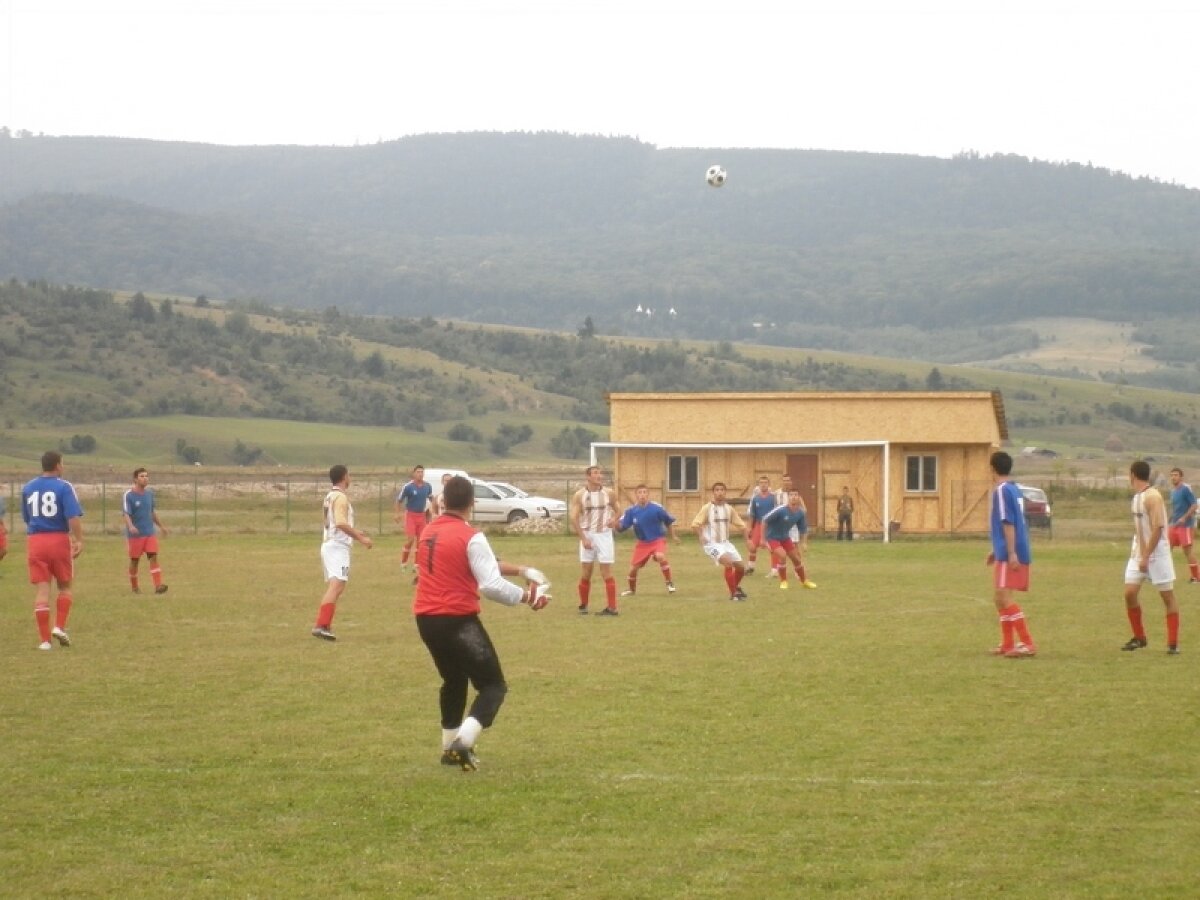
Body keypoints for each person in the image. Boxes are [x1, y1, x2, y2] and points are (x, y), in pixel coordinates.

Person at [414, 475, 551, 771]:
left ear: (443, 501)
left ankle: (448, 747)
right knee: (493, 686)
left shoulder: (428, 532)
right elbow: (489, 584)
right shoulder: (470, 535)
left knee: (453, 680)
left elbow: (479, 562)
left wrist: (523, 569)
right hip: (456, 620)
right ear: (472, 503)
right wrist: (528, 597)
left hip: (426, 619)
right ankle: (462, 743)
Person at [21, 451, 84, 650]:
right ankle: (59, 626)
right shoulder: (64, 487)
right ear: (57, 465)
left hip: (36, 541)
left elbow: (27, 517)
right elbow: (73, 516)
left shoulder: (28, 487)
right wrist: (79, 539)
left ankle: (45, 641)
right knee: (65, 586)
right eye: (62, 463)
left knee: (42, 590)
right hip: (57, 539)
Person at [1122, 459, 1180, 654]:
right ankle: (1139, 638)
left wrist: (1146, 556)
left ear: (1133, 475)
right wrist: (1139, 552)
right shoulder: (1136, 497)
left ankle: (1173, 644)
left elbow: (1158, 528)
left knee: (1167, 596)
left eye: (1128, 474)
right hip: (1139, 552)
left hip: (1157, 554)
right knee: (1130, 593)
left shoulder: (1153, 497)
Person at [312, 464, 373, 641]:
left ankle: (324, 625)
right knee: (336, 585)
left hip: (330, 543)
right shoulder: (341, 497)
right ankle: (322, 625)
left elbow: (336, 523)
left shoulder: (330, 496)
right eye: (349, 475)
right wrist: (361, 539)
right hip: (337, 546)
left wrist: (355, 532)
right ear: (345, 477)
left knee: (337, 586)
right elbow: (339, 523)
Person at [985, 451, 1037, 658]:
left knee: (1003, 597)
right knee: (1000, 598)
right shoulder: (1014, 489)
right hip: (1006, 550)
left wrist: (1011, 552)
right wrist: (996, 549)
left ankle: (1027, 643)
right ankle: (1007, 644)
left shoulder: (1001, 490)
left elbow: (1008, 522)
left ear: (992, 469)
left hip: (1011, 553)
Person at [571, 465, 620, 616]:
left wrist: (614, 519)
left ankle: (612, 608)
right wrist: (583, 538)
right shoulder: (580, 495)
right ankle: (583, 605)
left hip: (604, 535)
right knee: (586, 572)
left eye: (600, 473)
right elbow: (574, 518)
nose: (599, 476)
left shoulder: (609, 493)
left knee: (606, 571)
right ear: (588, 476)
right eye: (595, 473)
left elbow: (619, 509)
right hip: (588, 534)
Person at [615, 484, 680, 596]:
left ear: (648, 494)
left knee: (660, 556)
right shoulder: (631, 511)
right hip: (642, 544)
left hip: (657, 540)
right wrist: (615, 523)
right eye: (639, 493)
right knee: (633, 569)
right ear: (636, 495)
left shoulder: (657, 508)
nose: (642, 495)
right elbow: (621, 528)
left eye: (644, 492)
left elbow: (668, 521)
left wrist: (673, 536)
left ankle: (669, 583)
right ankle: (631, 590)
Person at [692, 482, 750, 601]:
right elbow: (695, 524)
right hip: (711, 544)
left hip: (725, 543)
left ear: (725, 492)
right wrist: (701, 535)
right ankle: (734, 594)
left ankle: (735, 588)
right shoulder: (707, 508)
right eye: (717, 490)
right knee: (728, 563)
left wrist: (747, 540)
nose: (719, 492)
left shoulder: (729, 509)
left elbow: (742, 526)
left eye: (722, 490)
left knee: (741, 568)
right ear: (713, 493)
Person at [122, 467, 169, 594]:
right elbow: (126, 513)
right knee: (135, 561)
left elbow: (152, 513)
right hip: (135, 535)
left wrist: (161, 526)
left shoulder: (149, 494)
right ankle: (134, 587)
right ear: (135, 479)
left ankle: (158, 586)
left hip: (149, 532)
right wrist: (131, 526)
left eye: (146, 476)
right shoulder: (129, 495)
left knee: (153, 556)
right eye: (142, 476)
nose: (145, 478)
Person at [762, 489, 817, 590]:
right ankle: (783, 581)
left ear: (799, 497)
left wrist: (804, 543)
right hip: (772, 538)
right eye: (791, 495)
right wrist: (763, 539)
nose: (794, 497)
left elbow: (803, 529)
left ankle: (804, 581)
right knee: (782, 555)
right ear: (788, 498)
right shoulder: (781, 510)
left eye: (796, 495)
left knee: (796, 558)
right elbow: (764, 520)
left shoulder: (800, 512)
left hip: (785, 538)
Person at [394, 465, 433, 572]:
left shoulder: (427, 486)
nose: (420, 474)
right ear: (414, 474)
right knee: (410, 540)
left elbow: (430, 499)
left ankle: (417, 565)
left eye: (422, 472)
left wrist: (431, 513)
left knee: (421, 541)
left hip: (422, 516)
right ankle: (404, 562)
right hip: (411, 515)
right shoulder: (409, 487)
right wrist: (397, 514)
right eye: (418, 472)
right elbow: (399, 500)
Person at [1167, 467, 1200, 584]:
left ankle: (1196, 577)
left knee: (1187, 551)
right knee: (1166, 549)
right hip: (1173, 524)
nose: (1173, 477)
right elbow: (1174, 507)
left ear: (1181, 477)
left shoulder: (1186, 489)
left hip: (1185, 525)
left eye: (1176, 475)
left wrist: (1184, 517)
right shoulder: (1172, 491)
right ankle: (1163, 574)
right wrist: (1168, 520)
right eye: (1172, 475)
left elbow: (1194, 505)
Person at [744, 475, 777, 575]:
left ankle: (775, 570)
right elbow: (752, 514)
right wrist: (749, 527)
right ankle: (750, 567)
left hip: (770, 525)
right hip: (758, 525)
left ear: (768, 484)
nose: (763, 485)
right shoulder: (755, 499)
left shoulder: (773, 498)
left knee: (773, 548)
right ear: (758, 485)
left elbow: (777, 512)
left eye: (765, 483)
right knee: (752, 547)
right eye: (761, 483)